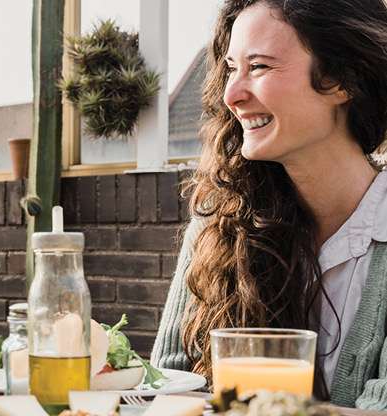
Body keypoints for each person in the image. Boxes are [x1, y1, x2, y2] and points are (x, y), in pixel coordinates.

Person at [150, 0, 387, 410]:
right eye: (230, 69)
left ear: (344, 78)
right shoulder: (219, 221)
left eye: (258, 67)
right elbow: (169, 386)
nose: (232, 95)